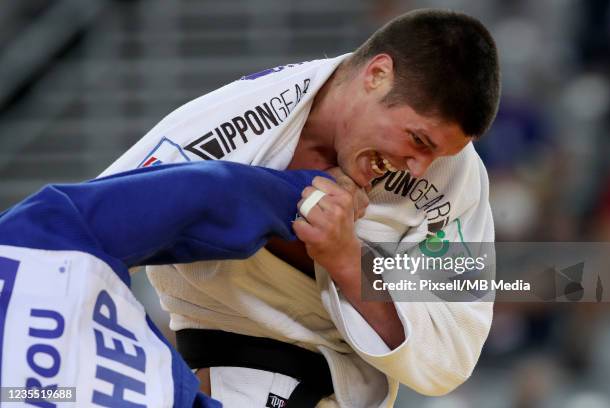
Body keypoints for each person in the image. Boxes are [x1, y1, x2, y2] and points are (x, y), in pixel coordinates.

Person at [101, 9, 501, 408]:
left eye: (438, 153)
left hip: (352, 392)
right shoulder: (227, 127)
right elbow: (90, 234)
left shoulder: (456, 173)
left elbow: (450, 356)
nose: (420, 168)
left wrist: (348, 260)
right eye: (418, 140)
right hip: (228, 373)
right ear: (377, 75)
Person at [0, 161, 331, 407]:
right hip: (252, 365)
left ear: (376, 74)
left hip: (313, 359)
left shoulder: (359, 195)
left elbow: (203, 193)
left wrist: (327, 221)